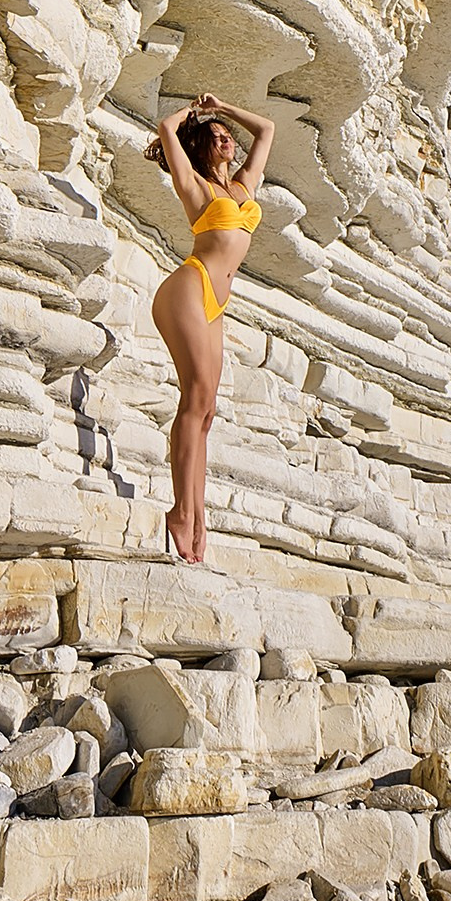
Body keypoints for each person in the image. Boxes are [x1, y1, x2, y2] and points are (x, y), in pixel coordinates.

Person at [145, 92, 276, 564]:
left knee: (208, 411)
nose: (227, 140)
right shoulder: (196, 187)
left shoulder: (243, 187)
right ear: (201, 148)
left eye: (227, 136)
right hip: (189, 286)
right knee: (195, 399)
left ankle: (198, 517)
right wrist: (190, 117)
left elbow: (266, 130)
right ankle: (180, 512)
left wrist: (223, 110)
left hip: (217, 302)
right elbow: (165, 127)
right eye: (217, 137)